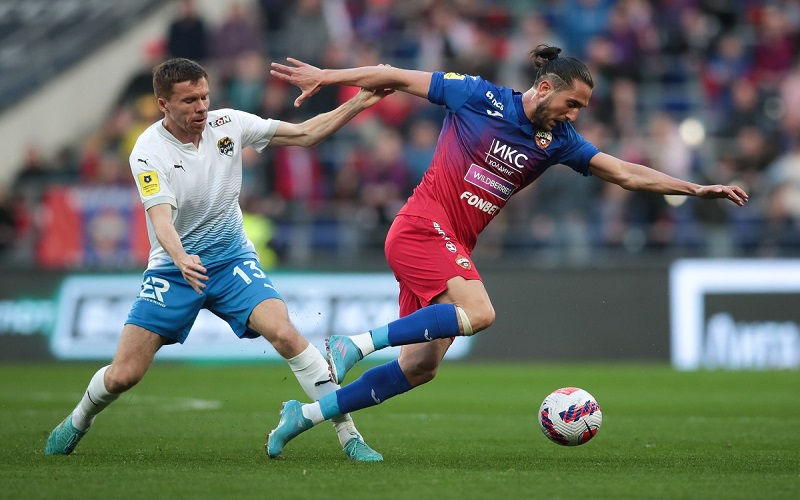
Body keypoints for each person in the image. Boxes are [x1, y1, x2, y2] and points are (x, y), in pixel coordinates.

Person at [264, 45, 750, 457]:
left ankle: (304, 415)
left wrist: (694, 188)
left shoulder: (557, 141)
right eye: (572, 103)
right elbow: (392, 75)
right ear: (545, 87)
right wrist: (327, 76)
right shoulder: (477, 95)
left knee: (420, 367)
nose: (575, 115)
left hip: (452, 243)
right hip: (421, 226)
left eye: (581, 108)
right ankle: (354, 345)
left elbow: (623, 172)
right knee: (479, 312)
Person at [45, 58, 391, 461]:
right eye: (189, 100)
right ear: (163, 104)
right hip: (175, 270)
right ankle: (79, 419)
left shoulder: (229, 124)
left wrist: (359, 102)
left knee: (285, 333)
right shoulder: (148, 151)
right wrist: (181, 257)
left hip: (231, 260)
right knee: (124, 375)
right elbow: (160, 219)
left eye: (204, 96)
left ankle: (349, 435)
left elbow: (305, 133)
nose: (201, 107)